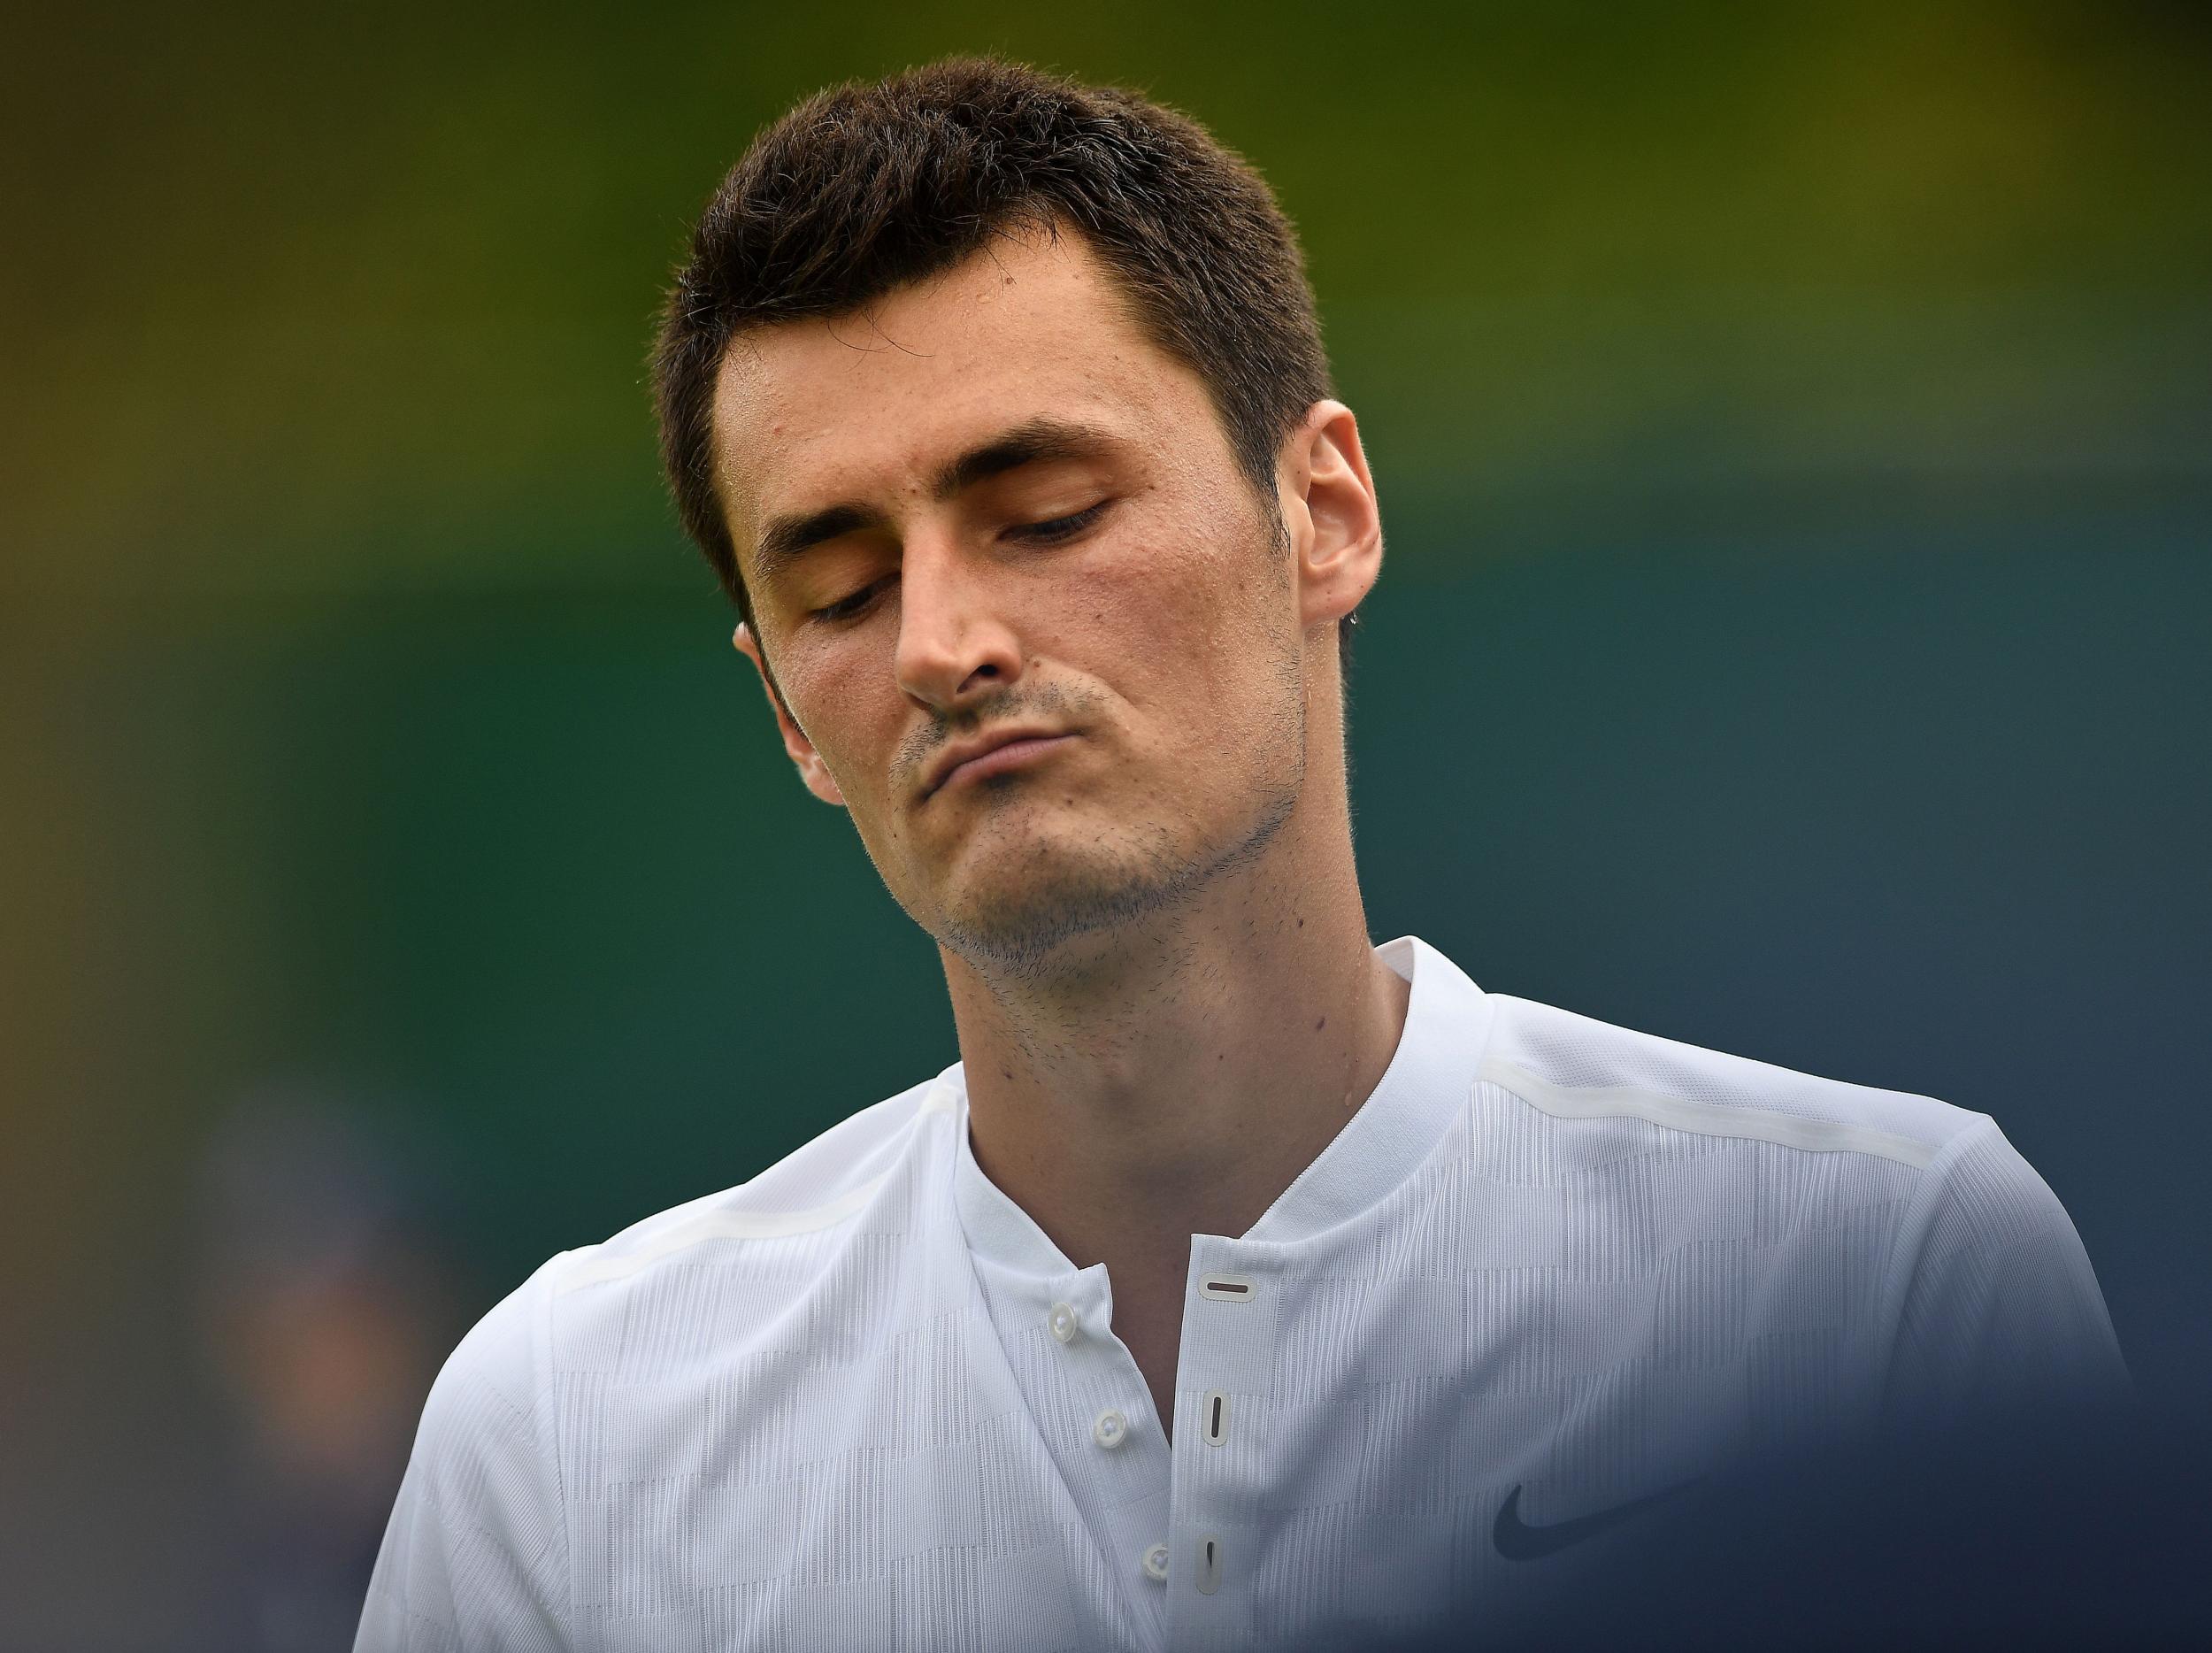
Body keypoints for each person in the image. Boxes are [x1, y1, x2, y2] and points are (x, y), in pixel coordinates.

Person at [357, 58, 2128, 1651]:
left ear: (1323, 516)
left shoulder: (1876, 1277)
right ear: (785, 717)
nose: (940, 640)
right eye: (841, 583)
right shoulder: (570, 1438)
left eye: (1043, 514)